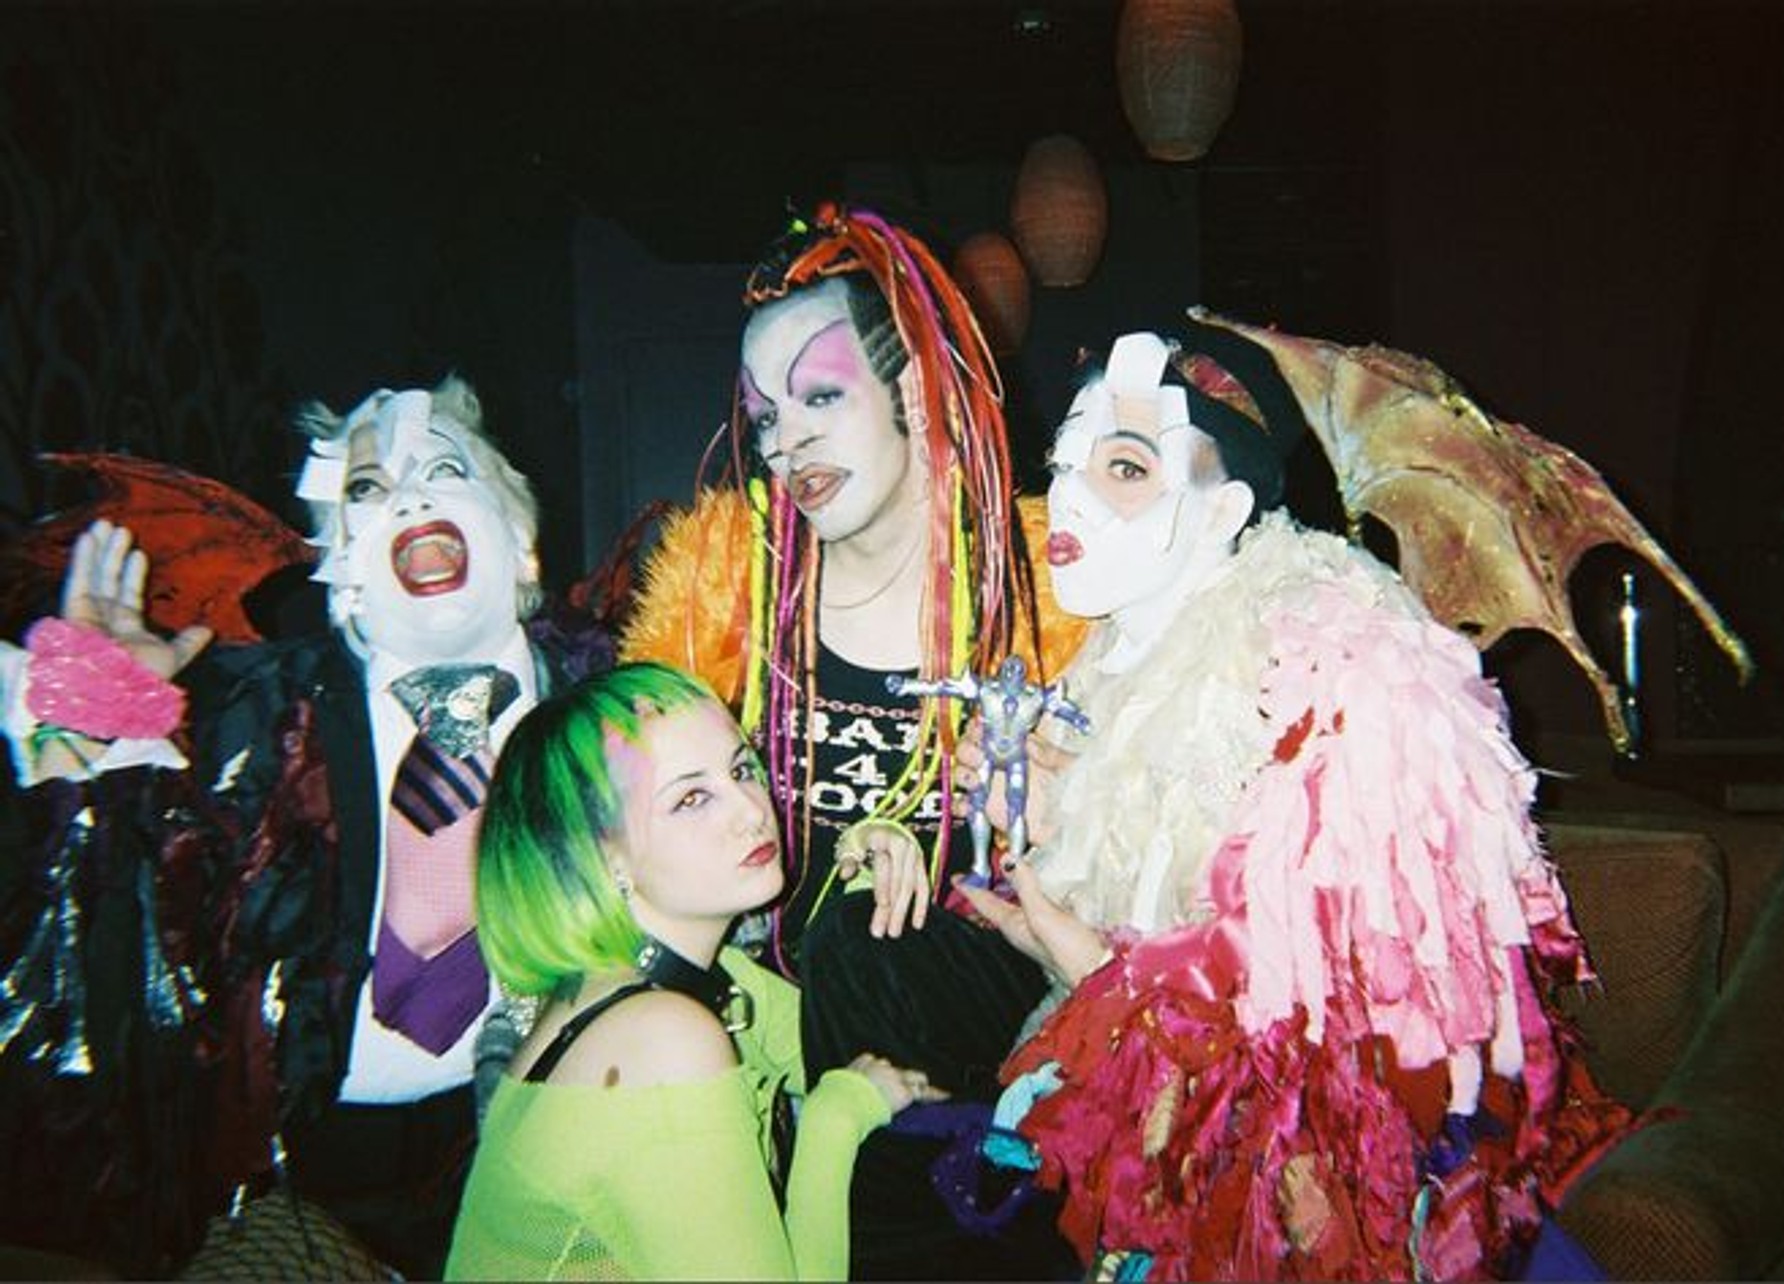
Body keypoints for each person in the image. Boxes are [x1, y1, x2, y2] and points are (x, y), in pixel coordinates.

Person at [951, 319, 1634, 1280]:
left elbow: (1347, 1029)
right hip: (1140, 1107)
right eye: (1064, 463)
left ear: (1224, 507)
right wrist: (1050, 816)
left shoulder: (1332, 652)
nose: (1067, 494)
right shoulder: (1109, 654)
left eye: (1125, 468)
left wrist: (1103, 975)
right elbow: (1151, 871)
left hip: (1306, 1161)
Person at [0, 376, 601, 1279]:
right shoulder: (250, 716)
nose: (412, 498)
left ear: (521, 543)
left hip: (545, 1156)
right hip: (300, 1180)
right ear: (338, 572)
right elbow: (100, 944)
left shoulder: (612, 713)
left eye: (444, 470)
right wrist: (86, 740)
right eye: (366, 490)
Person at [617, 202, 1089, 1277]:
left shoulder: (1051, 598)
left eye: (821, 396)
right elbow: (635, 836)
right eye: (765, 416)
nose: (787, 443)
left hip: (1007, 1114)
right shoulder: (725, 598)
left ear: (916, 391)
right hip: (798, 1096)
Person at [444, 660, 941, 1280]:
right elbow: (851, 1082)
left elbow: (863, 1049)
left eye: (741, 770)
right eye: (691, 798)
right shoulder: (659, 1036)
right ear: (603, 859)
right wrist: (836, 1117)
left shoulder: (696, 983)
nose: (751, 811)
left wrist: (867, 867)